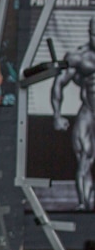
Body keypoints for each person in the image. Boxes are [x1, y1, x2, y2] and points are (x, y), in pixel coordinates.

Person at [50, 16, 95, 211]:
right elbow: (59, 83)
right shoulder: (79, 57)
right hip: (89, 111)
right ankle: (84, 204)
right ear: (89, 33)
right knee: (85, 155)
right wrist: (57, 115)